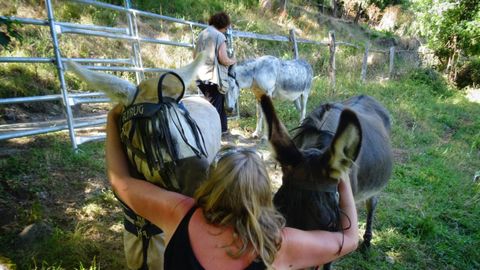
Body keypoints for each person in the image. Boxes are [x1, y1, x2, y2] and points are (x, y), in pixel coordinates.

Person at [106, 106, 359, 269]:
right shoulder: (277, 246)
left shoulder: (179, 212)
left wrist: (111, 120)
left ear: (213, 183)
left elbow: (121, 181)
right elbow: (349, 240)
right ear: (263, 197)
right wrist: (343, 180)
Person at [194, 11, 237, 135]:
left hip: (200, 75)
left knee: (218, 103)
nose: (226, 30)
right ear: (223, 25)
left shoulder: (202, 34)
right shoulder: (219, 36)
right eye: (226, 28)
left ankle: (223, 130)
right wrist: (233, 60)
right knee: (214, 109)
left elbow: (194, 55)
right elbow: (223, 59)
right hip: (212, 77)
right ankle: (212, 135)